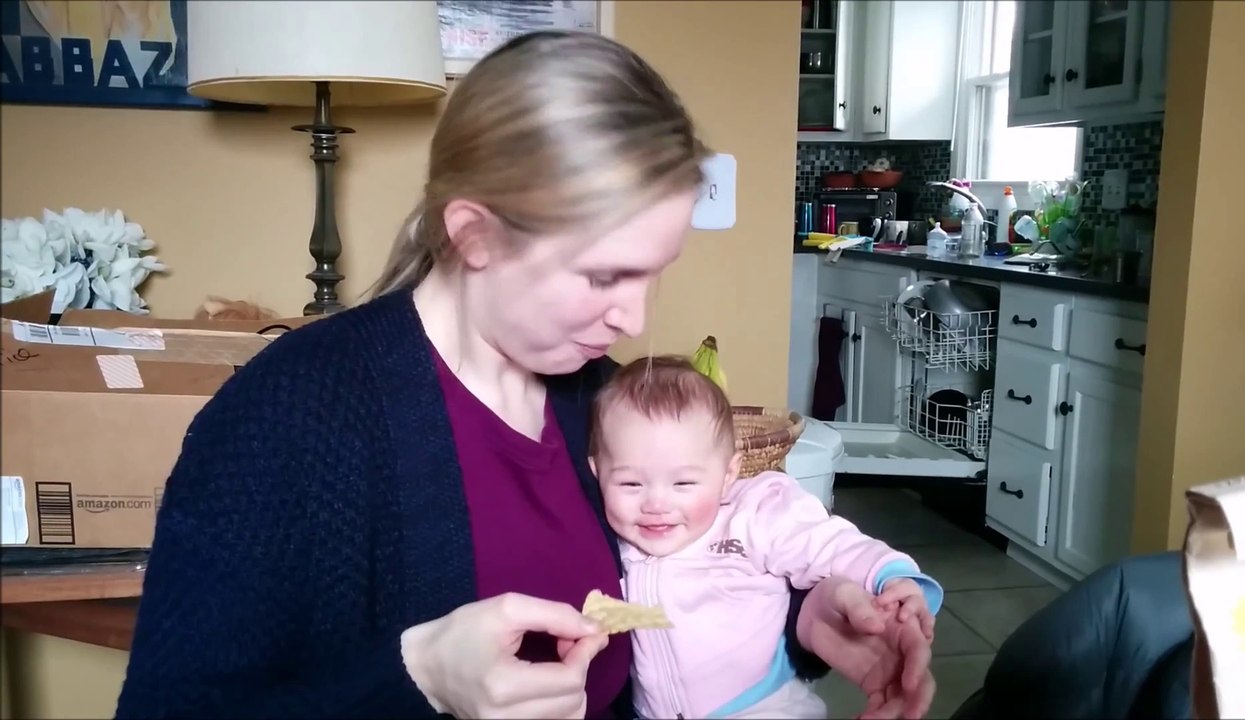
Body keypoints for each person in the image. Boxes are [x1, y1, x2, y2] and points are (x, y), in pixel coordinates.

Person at [115, 31, 935, 720]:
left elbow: (684, 570)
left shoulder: (598, 397)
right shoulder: (286, 420)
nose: (636, 321)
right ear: (474, 235)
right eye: (604, 276)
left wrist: (805, 622)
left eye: (654, 274)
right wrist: (420, 677)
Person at [589, 356, 941, 719]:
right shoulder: (610, 540)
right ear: (597, 471)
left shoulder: (755, 512)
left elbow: (827, 542)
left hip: (764, 706)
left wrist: (890, 577)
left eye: (684, 483)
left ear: (729, 473)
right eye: (631, 483)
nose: (656, 504)